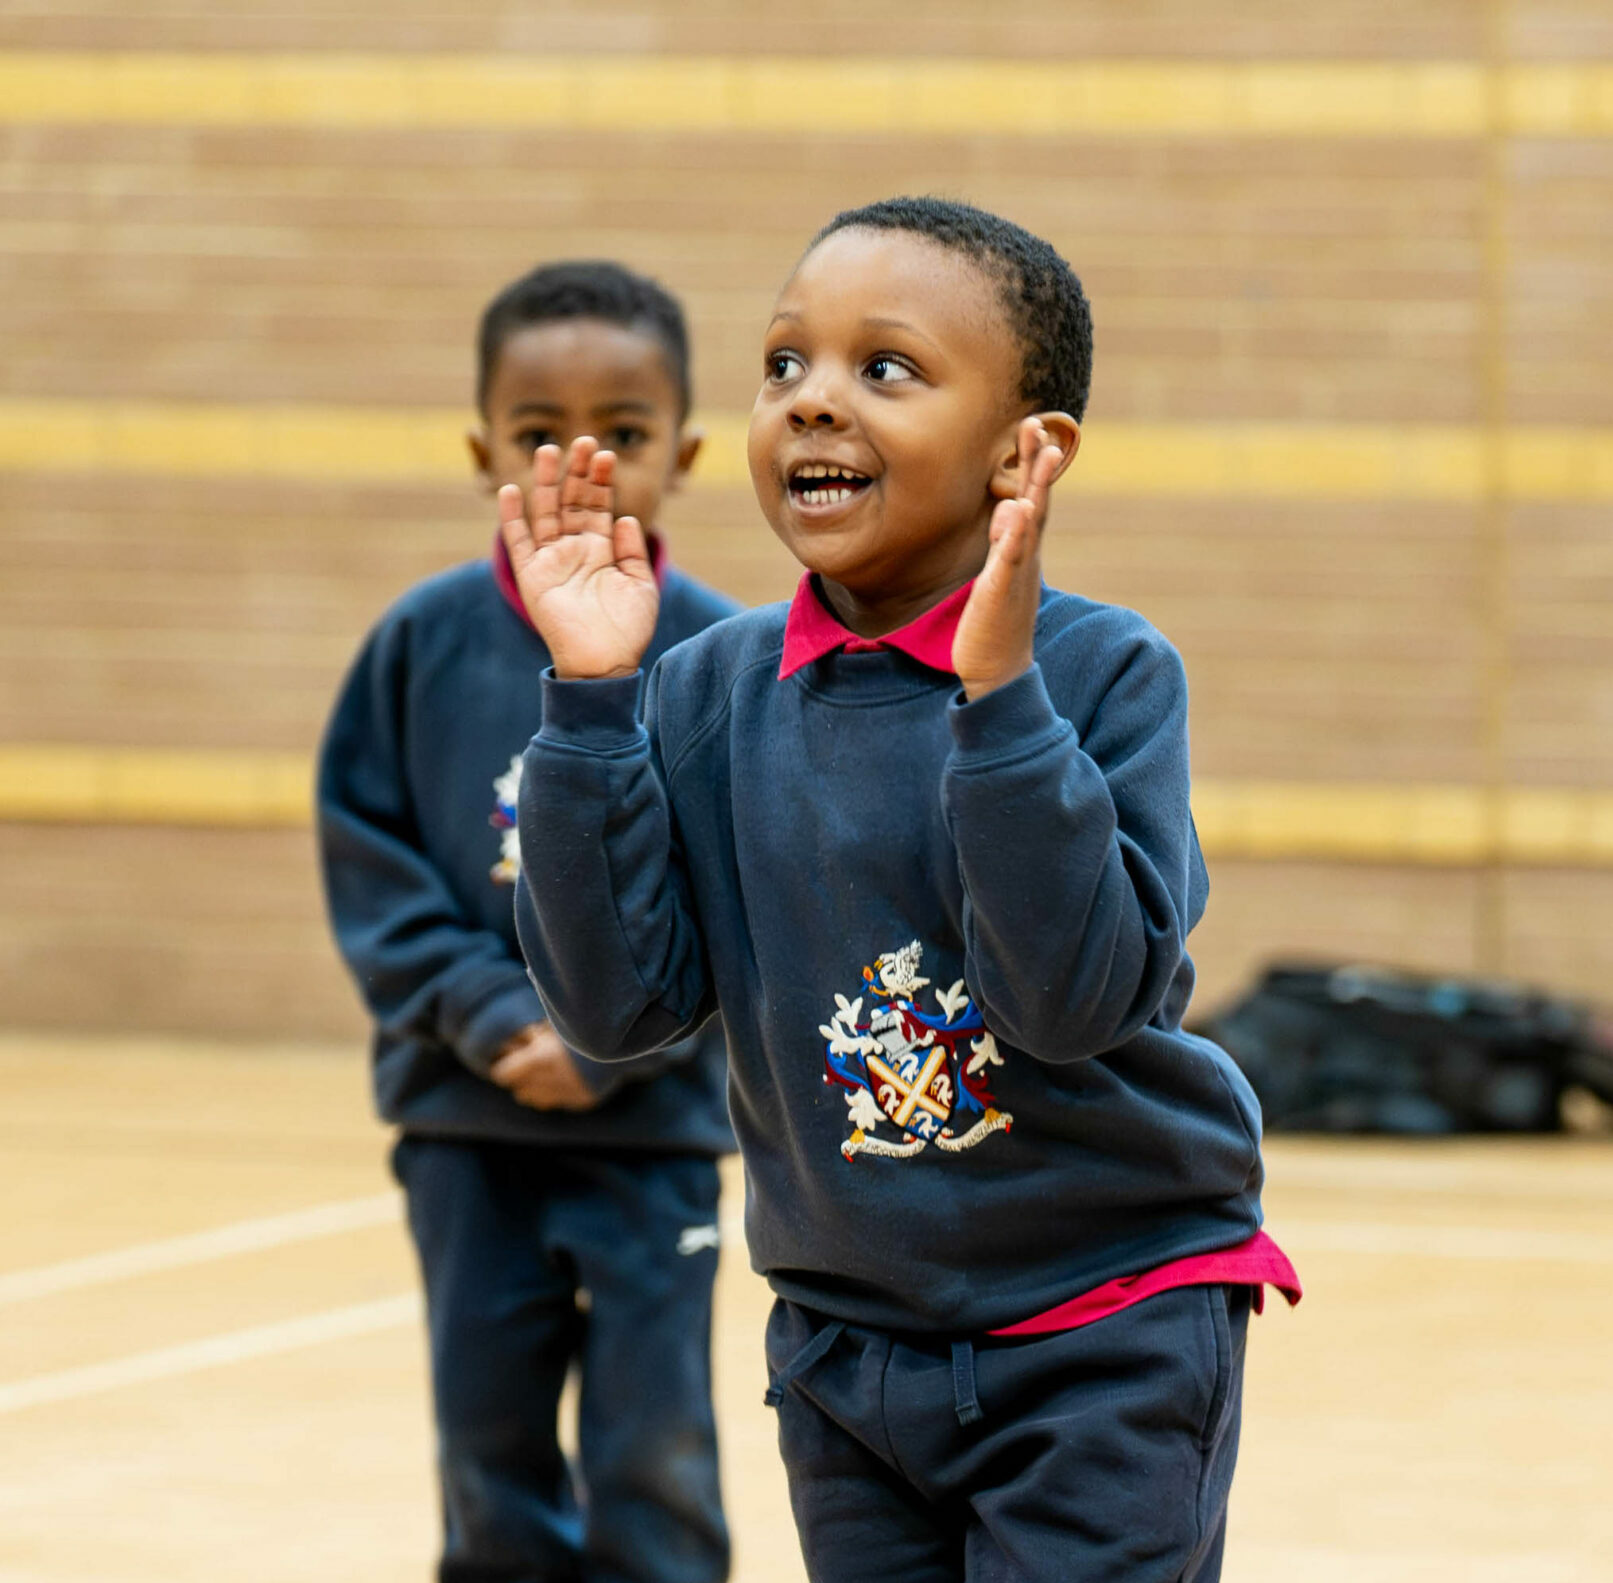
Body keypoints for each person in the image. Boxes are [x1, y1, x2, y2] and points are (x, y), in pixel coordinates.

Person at [503, 198, 1300, 1582]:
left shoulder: (1103, 673)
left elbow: (1071, 1003)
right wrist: (587, 702)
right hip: (842, 1343)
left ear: (1022, 451)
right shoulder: (701, 691)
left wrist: (999, 705)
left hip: (1097, 1328)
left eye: (884, 370)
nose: (811, 403)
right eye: (782, 365)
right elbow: (619, 1010)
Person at [317, 259, 736, 1583]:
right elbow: (371, 864)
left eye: (621, 432)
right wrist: (496, 1021)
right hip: (467, 1124)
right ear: (478, 448)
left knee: (652, 1449)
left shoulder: (726, 656)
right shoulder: (418, 644)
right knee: (486, 1444)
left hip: (655, 1134)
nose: (582, 459)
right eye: (538, 432)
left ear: (686, 451)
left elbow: (741, 899)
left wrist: (614, 1047)